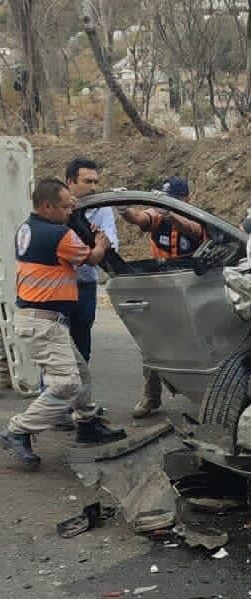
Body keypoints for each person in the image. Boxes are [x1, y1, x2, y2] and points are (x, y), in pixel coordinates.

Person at [0, 178, 126, 472]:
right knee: (67, 382)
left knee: (80, 371)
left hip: (38, 319)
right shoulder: (59, 234)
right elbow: (92, 259)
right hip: (43, 323)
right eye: (66, 206)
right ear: (46, 206)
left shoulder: (28, 228)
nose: (72, 211)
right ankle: (18, 430)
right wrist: (101, 243)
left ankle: (87, 423)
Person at [118, 176, 204, 418]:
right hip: (159, 289)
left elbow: (194, 230)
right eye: (164, 201)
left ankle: (206, 395)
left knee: (197, 344)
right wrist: (125, 210)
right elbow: (139, 218)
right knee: (152, 345)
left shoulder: (196, 217)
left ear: (186, 200)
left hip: (190, 290)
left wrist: (172, 214)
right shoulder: (157, 218)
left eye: (174, 201)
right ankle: (151, 397)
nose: (166, 205)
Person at [65, 158, 119, 363]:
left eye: (96, 182)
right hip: (57, 286)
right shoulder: (56, 208)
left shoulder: (102, 208)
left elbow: (110, 243)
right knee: (56, 351)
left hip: (85, 285)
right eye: (87, 182)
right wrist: (95, 245)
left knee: (82, 348)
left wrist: (100, 243)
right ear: (70, 182)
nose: (93, 187)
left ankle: (80, 394)